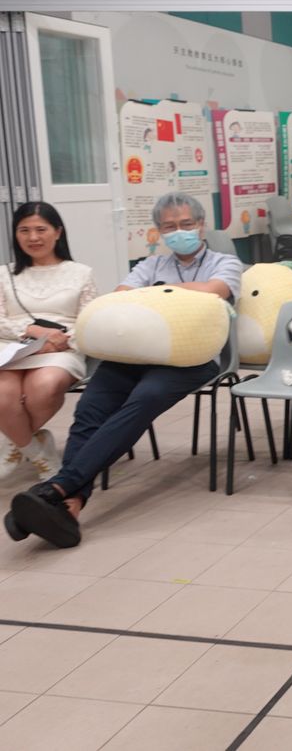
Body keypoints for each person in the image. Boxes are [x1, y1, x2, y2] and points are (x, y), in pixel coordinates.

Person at [4, 192, 241, 549]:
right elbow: (120, 295)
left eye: (186, 224)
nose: (179, 231)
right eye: (169, 226)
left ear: (202, 225)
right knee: (90, 408)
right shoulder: (150, 264)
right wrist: (171, 293)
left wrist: (154, 293)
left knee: (143, 400)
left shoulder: (226, 262)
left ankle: (58, 486)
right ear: (159, 231)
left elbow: (213, 291)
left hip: (192, 358)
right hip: (135, 354)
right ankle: (69, 504)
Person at [0, 203, 97, 477]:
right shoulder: (4, 274)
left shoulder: (81, 273)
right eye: (24, 230)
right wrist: (33, 331)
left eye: (41, 229)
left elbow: (91, 320)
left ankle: (15, 444)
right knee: (2, 396)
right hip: (10, 347)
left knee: (44, 388)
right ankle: (37, 451)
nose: (33, 237)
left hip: (61, 349)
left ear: (57, 232)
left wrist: (61, 340)